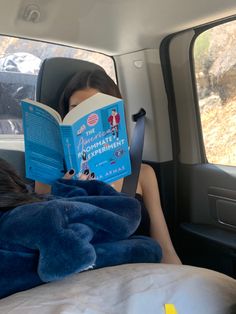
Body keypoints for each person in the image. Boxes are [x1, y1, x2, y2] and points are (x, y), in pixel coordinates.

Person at [35, 69, 182, 265]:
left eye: (93, 111)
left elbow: (165, 248)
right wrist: (65, 193)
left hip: (140, 276)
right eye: (76, 109)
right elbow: (47, 247)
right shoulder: (48, 176)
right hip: (83, 281)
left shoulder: (143, 174)